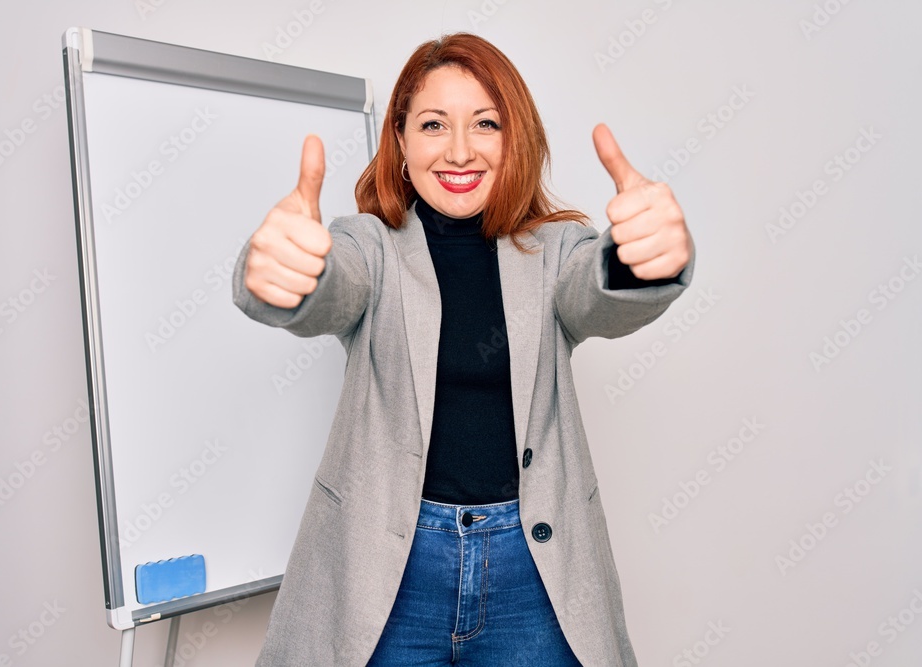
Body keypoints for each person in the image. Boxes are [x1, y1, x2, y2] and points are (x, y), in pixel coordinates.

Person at [233, 32, 694, 667]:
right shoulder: (370, 245)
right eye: (432, 124)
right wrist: (288, 277)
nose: (459, 150)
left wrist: (641, 263)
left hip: (531, 563)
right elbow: (331, 286)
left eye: (485, 123)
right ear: (400, 141)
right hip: (391, 563)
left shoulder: (555, 250)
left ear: (515, 139)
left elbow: (597, 294)